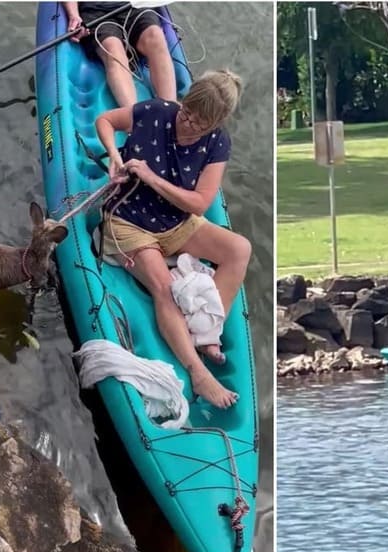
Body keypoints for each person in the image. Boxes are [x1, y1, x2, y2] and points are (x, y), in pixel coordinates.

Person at [93, 70, 249, 409]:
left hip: (176, 222)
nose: (188, 124)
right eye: (186, 113)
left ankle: (206, 334)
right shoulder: (154, 112)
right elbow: (105, 120)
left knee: (239, 249)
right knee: (163, 286)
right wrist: (115, 158)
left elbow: (199, 203)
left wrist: (151, 177)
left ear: (215, 124)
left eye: (199, 123)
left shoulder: (217, 143)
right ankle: (197, 372)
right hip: (127, 220)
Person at [63, 2, 177, 108]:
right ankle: (135, 118)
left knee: (155, 37)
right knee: (113, 49)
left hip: (135, 5)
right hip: (94, 11)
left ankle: (169, 111)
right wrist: (74, 15)